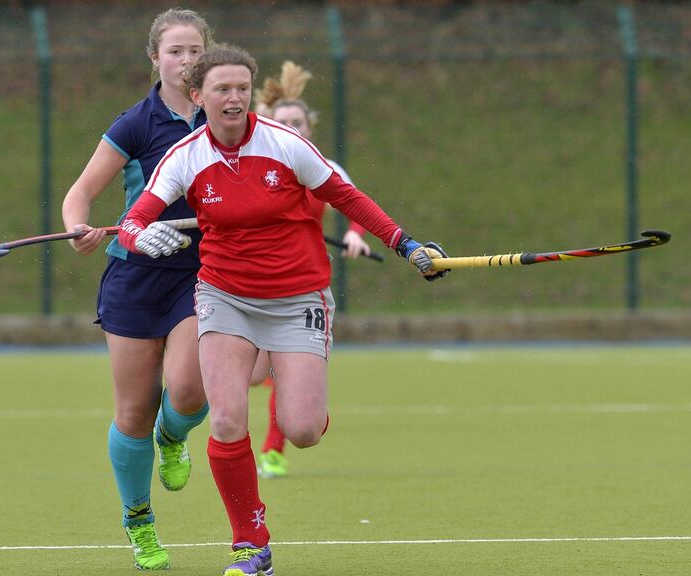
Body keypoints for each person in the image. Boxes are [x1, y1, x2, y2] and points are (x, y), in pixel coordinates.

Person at [117, 44, 447, 576]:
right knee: (225, 420)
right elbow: (137, 218)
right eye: (222, 89)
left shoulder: (285, 145)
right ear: (199, 96)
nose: (234, 98)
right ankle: (251, 545)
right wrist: (140, 237)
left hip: (298, 299)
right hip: (224, 296)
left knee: (302, 429)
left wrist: (406, 245)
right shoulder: (186, 156)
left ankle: (308, 398)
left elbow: (349, 197)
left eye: (242, 88)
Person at [60, 8, 213, 571]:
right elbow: (80, 195)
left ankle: (173, 437)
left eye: (194, 50)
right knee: (132, 411)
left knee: (190, 393)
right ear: (155, 58)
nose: (185, 60)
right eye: (174, 51)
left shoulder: (224, 115)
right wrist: (79, 226)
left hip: (203, 273)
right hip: (134, 275)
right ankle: (139, 521)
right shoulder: (135, 123)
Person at [249, 60, 376, 480]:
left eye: (298, 122)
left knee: (277, 374)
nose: (291, 128)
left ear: (309, 128)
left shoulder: (323, 166)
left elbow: (354, 204)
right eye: (282, 121)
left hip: (301, 285)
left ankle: (272, 449)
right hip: (246, 283)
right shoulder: (250, 165)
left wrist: (356, 234)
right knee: (253, 376)